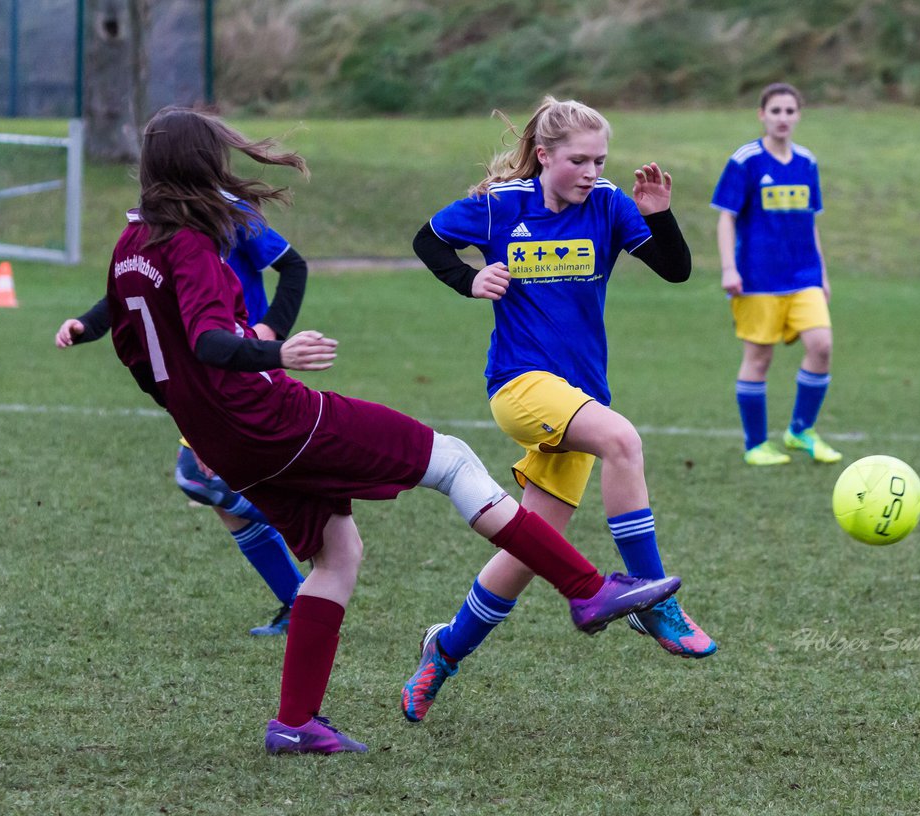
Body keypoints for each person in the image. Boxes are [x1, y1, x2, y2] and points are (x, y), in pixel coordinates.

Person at [107, 106, 680, 755]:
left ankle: (294, 724)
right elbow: (211, 340)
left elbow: (143, 360)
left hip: (222, 441)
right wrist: (275, 353)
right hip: (273, 418)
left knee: (337, 552)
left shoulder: (129, 252)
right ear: (199, 165)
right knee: (454, 461)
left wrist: (202, 411)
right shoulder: (190, 246)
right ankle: (586, 591)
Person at [404, 95, 715, 724]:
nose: (593, 171)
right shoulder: (500, 207)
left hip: (580, 399)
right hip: (520, 386)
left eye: (600, 160)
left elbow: (677, 270)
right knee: (623, 441)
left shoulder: (608, 207)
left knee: (530, 549)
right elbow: (427, 239)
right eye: (579, 160)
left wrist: (662, 216)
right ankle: (655, 602)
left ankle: (444, 652)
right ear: (543, 155)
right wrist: (468, 280)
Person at [56, 199, 310, 637]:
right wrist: (87, 326)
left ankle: (312, 527)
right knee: (225, 503)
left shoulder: (229, 212)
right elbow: (127, 293)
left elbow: (294, 266)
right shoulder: (160, 220)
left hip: (240, 368)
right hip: (197, 374)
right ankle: (298, 603)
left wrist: (270, 331)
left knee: (199, 477)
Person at [712, 82, 842, 467]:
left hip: (804, 276)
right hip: (757, 279)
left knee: (821, 346)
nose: (783, 118)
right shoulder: (745, 160)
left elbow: (810, 224)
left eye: (790, 111)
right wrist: (729, 268)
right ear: (762, 115)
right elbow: (726, 217)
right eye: (776, 111)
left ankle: (801, 430)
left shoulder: (807, 162)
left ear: (798, 116)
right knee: (759, 358)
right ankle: (756, 445)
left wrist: (823, 273)